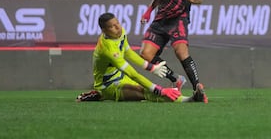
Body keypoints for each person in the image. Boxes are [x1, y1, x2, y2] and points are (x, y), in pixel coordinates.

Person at [76, 12, 206, 102]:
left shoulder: (120, 33)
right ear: (104, 30)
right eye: (112, 27)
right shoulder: (108, 49)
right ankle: (189, 100)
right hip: (109, 86)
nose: (118, 28)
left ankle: (98, 96)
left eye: (118, 23)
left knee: (144, 91)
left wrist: (151, 67)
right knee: (146, 92)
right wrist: (159, 90)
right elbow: (133, 74)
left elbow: (129, 52)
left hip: (122, 78)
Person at [140, 0, 208, 103]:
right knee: (146, 54)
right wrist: (149, 10)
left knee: (181, 52)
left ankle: (198, 88)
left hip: (178, 19)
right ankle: (176, 79)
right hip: (160, 19)